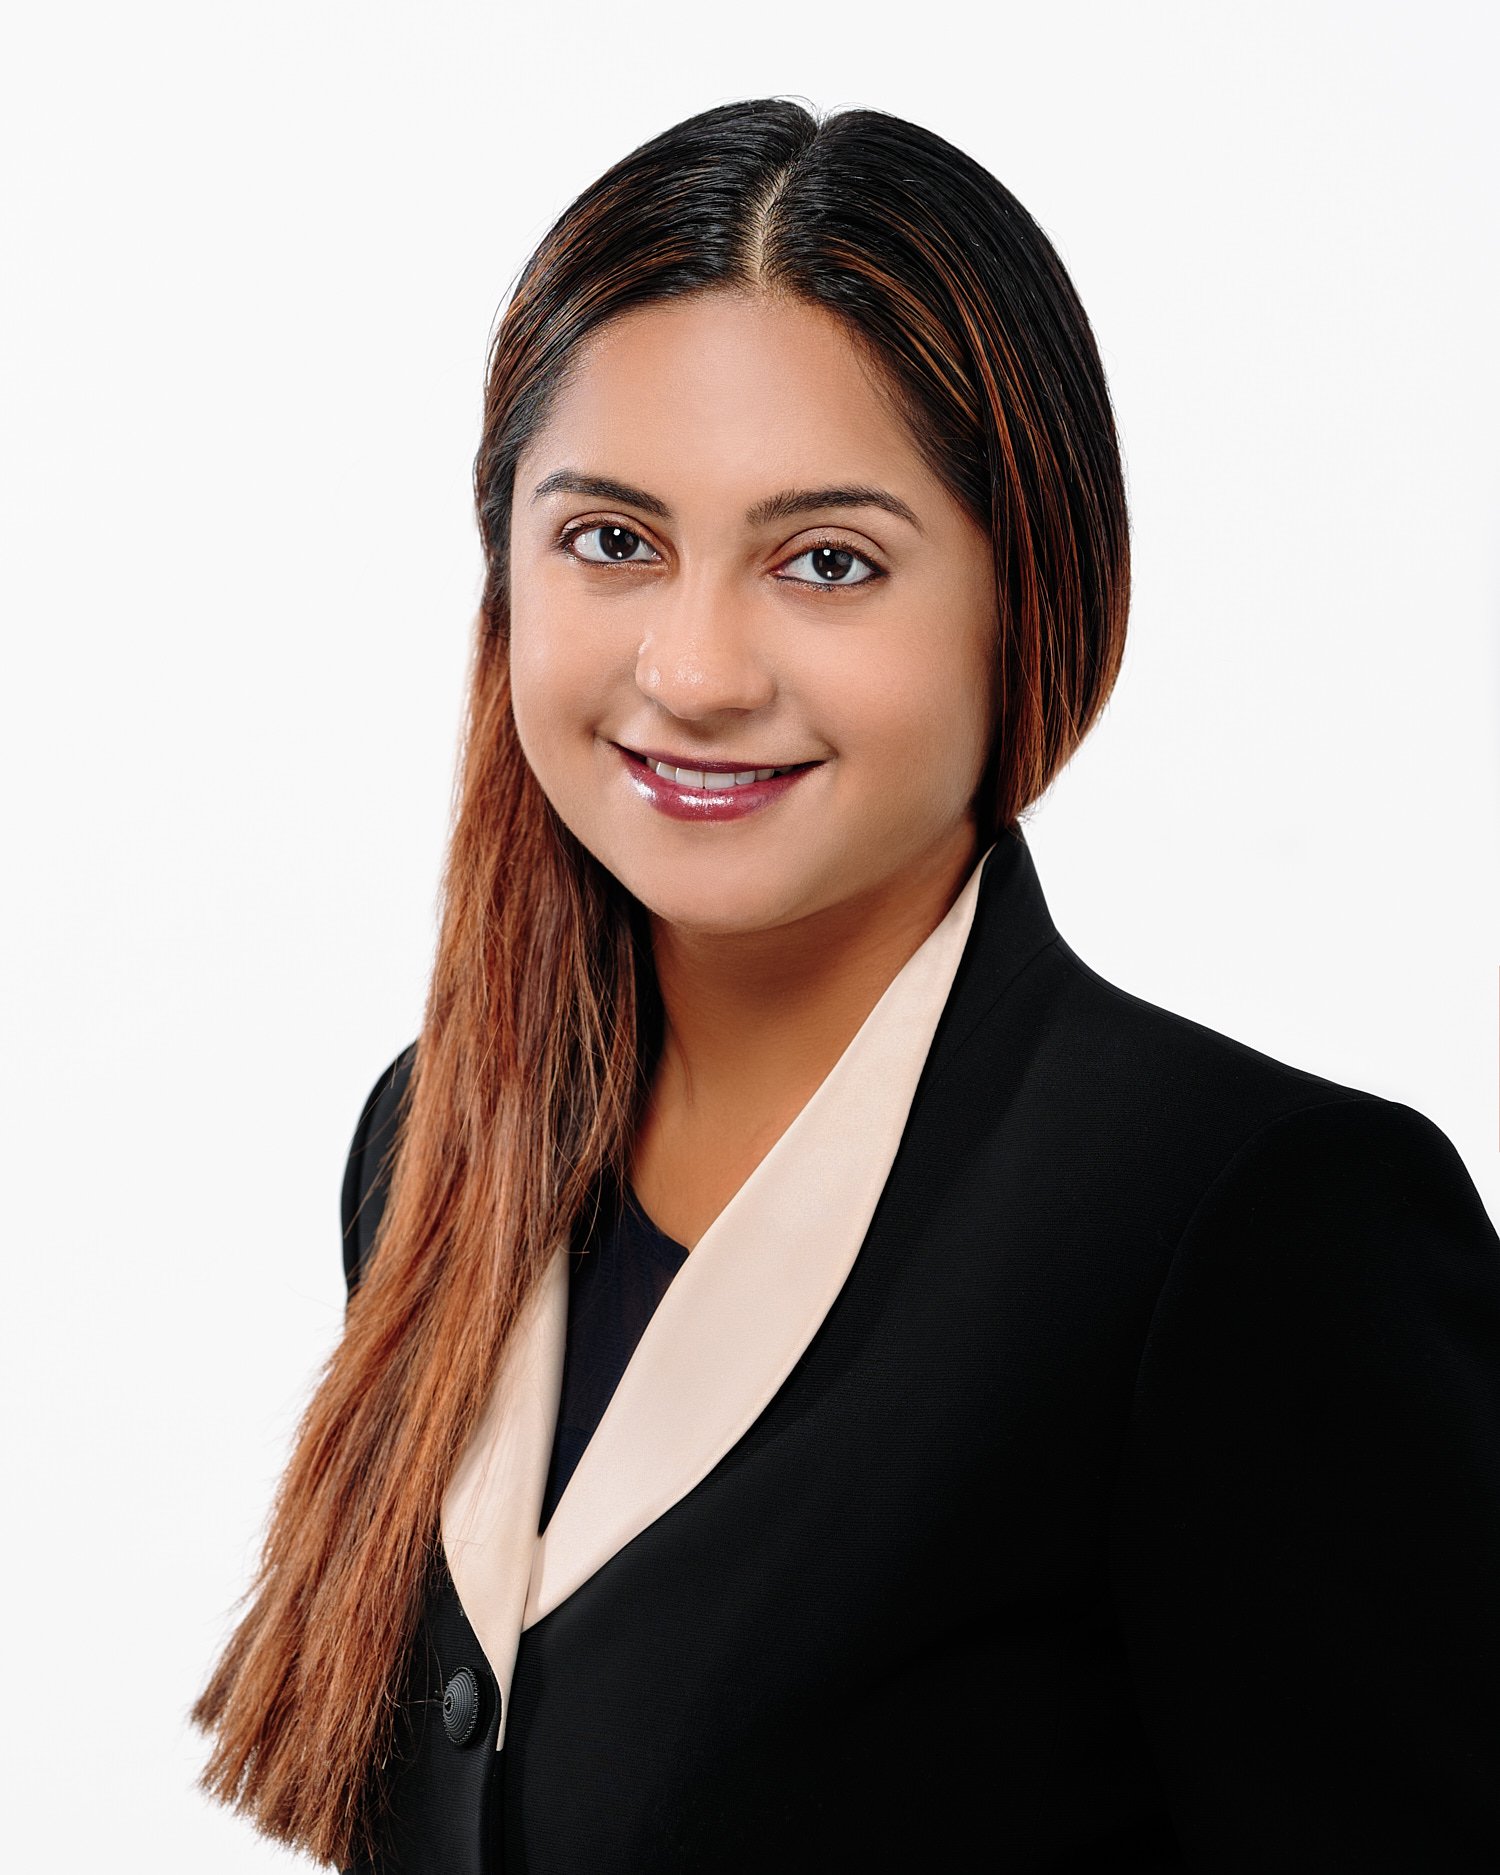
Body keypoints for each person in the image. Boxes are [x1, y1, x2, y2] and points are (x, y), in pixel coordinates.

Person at [193, 97, 1500, 1873]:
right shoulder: (433, 1135)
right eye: (611, 540)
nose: (696, 666)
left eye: (828, 562)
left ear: (1026, 603)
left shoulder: (1249, 1229)